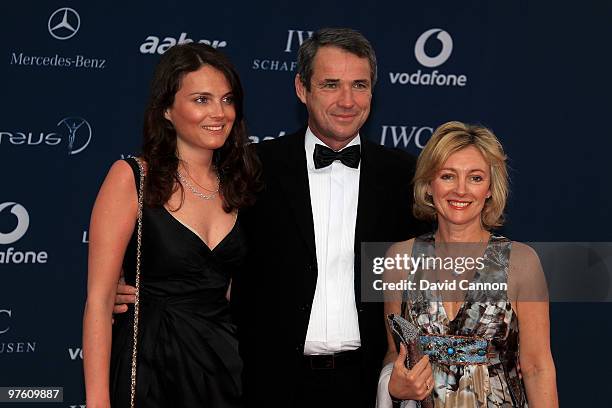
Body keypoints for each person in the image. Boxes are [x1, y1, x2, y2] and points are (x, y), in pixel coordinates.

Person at [115, 28, 425, 407]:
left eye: (359, 85)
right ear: (302, 88)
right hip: (264, 382)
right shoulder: (249, 169)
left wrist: (514, 279)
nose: (347, 100)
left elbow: (443, 264)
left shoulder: (407, 177)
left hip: (366, 385)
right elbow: (200, 249)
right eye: (330, 84)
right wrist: (141, 285)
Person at [83, 43, 260, 407]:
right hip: (149, 367)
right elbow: (100, 301)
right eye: (201, 100)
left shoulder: (241, 185)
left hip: (222, 370)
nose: (218, 112)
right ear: (166, 109)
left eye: (227, 100)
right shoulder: (132, 178)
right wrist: (98, 402)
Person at [380, 121, 558, 407]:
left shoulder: (521, 262)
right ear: (428, 184)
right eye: (448, 176)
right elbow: (395, 353)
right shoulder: (399, 259)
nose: (461, 190)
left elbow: (538, 368)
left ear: (489, 188)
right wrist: (393, 384)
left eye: (475, 178)